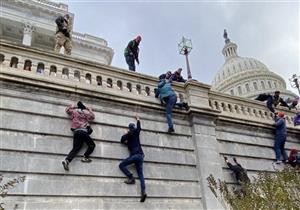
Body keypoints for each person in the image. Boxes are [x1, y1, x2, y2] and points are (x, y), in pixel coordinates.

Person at [119, 115, 147, 202]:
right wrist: (138, 119)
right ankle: (143, 192)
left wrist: (126, 133)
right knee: (141, 175)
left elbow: (122, 140)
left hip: (134, 156)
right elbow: (139, 127)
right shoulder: (136, 132)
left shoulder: (129, 133)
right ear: (134, 127)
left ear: (129, 128)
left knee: (121, 165)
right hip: (141, 156)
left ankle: (131, 177)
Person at [62, 101, 95, 171]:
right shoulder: (86, 112)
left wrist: (72, 106)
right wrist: (90, 109)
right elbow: (92, 117)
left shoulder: (74, 111)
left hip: (76, 132)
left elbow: (67, 110)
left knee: (76, 148)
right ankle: (85, 157)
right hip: (83, 131)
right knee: (92, 145)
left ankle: (67, 160)